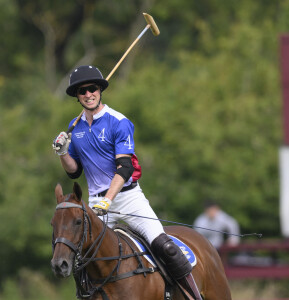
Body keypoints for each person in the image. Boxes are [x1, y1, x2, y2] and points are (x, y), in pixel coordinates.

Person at [52, 65, 200, 299]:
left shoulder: (119, 122)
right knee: (83, 260)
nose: (88, 94)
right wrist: (62, 153)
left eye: (92, 89)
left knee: (167, 248)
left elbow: (126, 166)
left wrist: (108, 200)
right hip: (96, 203)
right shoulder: (76, 127)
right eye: (82, 91)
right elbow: (74, 171)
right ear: (77, 97)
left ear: (100, 90)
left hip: (127, 198)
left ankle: (192, 295)